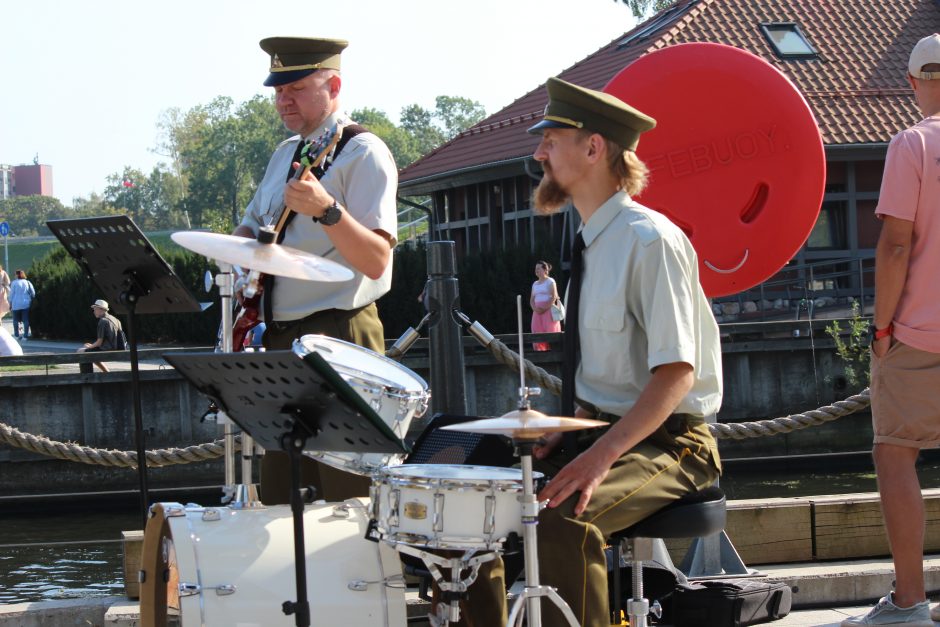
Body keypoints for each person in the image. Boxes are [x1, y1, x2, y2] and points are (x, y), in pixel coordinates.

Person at [456, 77, 723, 627]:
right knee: (466, 504)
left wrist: (596, 458)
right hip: (602, 429)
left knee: (561, 520)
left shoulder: (650, 240)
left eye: (550, 140)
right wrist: (572, 427)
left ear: (593, 148)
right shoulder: (593, 243)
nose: (538, 153)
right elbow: (610, 372)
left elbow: (675, 373)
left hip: (673, 441)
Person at [232, 36, 398, 504]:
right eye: (278, 90)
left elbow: (377, 259)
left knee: (351, 499)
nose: (284, 99)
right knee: (284, 500)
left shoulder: (363, 153)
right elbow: (252, 227)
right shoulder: (284, 154)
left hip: (340, 335)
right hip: (280, 341)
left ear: (334, 85)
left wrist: (328, 211)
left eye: (297, 88)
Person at [841, 34, 940, 627]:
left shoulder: (913, 145)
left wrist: (880, 328)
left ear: (912, 83)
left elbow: (896, 243)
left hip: (919, 334)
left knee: (895, 455)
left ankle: (909, 602)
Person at [77, 299, 125, 373]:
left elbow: (99, 342)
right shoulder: (115, 319)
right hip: (117, 348)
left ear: (101, 309)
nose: (94, 311)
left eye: (95, 309)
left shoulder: (103, 321)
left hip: (108, 349)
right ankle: (106, 372)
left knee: (81, 351)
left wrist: (90, 347)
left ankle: (87, 378)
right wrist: (92, 346)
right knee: (90, 351)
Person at [529, 260, 561, 351]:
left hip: (548, 311)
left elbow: (554, 297)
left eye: (539, 268)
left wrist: (544, 308)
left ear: (545, 270)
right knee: (536, 331)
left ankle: (553, 352)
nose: (536, 270)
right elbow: (531, 300)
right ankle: (539, 353)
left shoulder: (550, 281)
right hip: (537, 312)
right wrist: (535, 309)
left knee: (550, 331)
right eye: (536, 269)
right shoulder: (535, 284)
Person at [9, 270, 35, 340]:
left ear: (17, 275)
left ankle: (16, 335)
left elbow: (11, 294)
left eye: (15, 274)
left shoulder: (14, 283)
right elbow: (33, 293)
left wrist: (10, 303)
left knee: (15, 320)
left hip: (16, 304)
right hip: (26, 303)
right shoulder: (27, 282)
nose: (14, 276)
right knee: (25, 320)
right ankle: (25, 336)